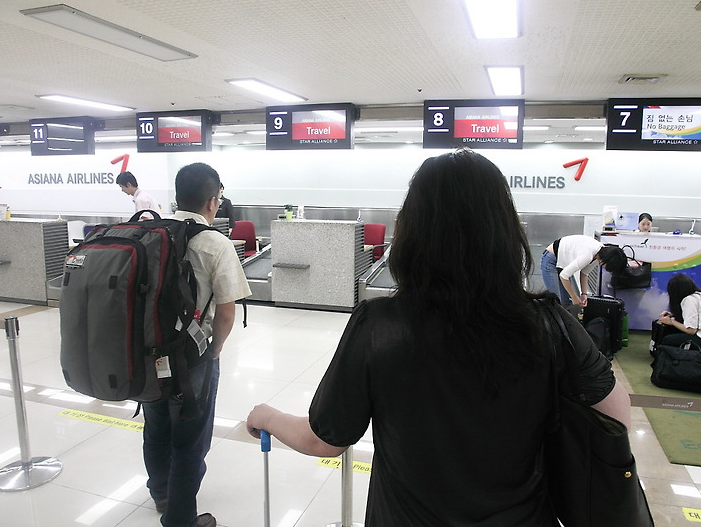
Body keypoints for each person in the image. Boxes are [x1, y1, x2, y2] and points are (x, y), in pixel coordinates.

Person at [246, 150, 631, 526]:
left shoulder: (379, 325)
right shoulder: (550, 325)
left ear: (412, 228)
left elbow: (325, 439)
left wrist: (269, 417)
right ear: (505, 230)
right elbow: (613, 420)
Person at [142, 162, 251, 527]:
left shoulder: (152, 233)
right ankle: (180, 519)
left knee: (156, 425)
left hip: (148, 352)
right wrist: (214, 353)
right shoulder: (215, 244)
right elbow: (225, 313)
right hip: (193, 359)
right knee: (190, 439)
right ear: (211, 201)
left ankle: (160, 492)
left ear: (176, 198)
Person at [540, 235, 627, 307]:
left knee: (566, 301)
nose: (605, 268)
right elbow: (564, 276)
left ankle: (564, 326)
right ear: (606, 260)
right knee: (555, 301)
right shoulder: (587, 256)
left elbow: (584, 273)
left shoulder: (599, 254)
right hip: (550, 259)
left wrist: (584, 294)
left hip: (561, 262)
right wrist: (574, 296)